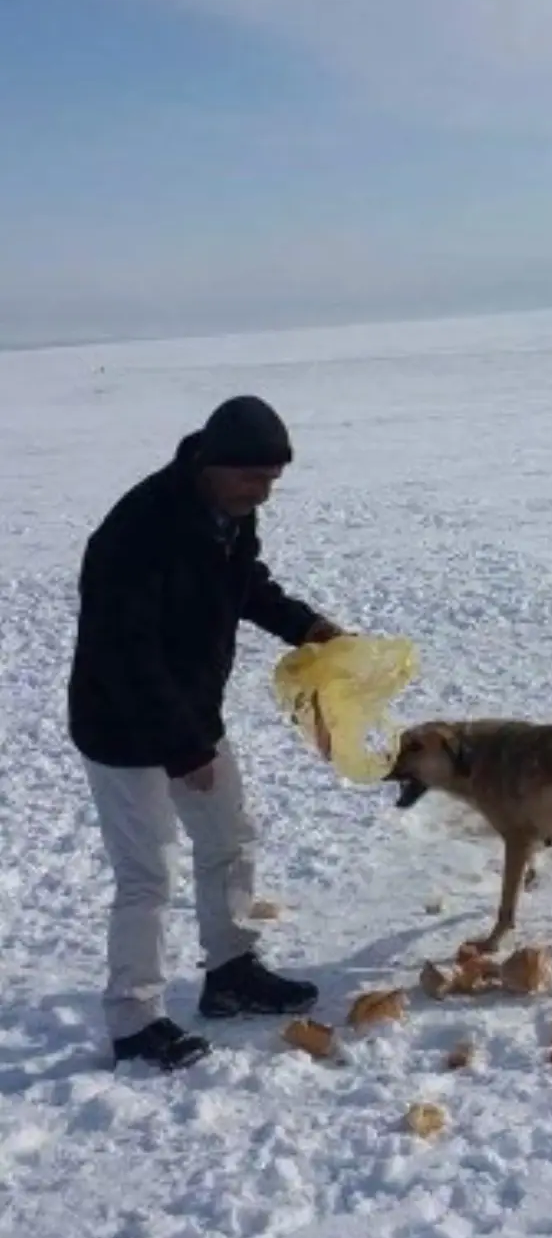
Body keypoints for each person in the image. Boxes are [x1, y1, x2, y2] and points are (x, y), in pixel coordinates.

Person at [68, 395, 345, 1073]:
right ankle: (134, 1021)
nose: (264, 493)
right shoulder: (139, 531)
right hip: (123, 723)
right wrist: (183, 749)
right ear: (215, 465)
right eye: (254, 478)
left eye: (273, 481)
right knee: (146, 877)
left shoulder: (227, 517)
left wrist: (304, 625)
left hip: (190, 712)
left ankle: (231, 971)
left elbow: (243, 584)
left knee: (228, 838)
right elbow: (128, 655)